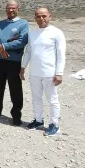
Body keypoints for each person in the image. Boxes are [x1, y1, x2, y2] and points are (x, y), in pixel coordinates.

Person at [20, 7, 66, 136]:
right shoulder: (32, 33)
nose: (41, 19)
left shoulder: (57, 33)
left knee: (52, 99)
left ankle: (54, 124)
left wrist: (59, 73)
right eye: (38, 16)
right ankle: (38, 120)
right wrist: (23, 67)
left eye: (44, 16)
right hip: (35, 72)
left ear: (50, 16)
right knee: (36, 98)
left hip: (50, 73)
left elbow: (61, 55)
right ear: (35, 18)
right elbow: (28, 51)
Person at [0, 0, 29, 126]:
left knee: (15, 89)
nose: (11, 10)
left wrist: (3, 46)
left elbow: (22, 41)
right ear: (6, 10)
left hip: (13, 61)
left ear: (18, 9)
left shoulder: (23, 24)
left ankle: (16, 115)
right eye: (8, 8)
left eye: (13, 8)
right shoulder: (0, 24)